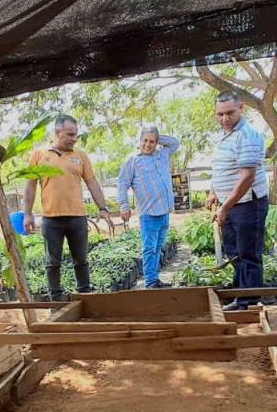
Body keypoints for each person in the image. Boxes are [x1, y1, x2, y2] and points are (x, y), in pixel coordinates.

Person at [22, 114, 112, 301]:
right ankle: (55, 299)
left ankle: (85, 295)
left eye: (76, 135)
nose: (74, 139)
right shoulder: (38, 155)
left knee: (81, 259)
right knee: (52, 262)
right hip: (50, 219)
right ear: (57, 132)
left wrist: (103, 208)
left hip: (77, 218)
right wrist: (27, 214)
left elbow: (92, 183)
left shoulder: (81, 157)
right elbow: (30, 186)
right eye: (70, 134)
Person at [205, 91, 270, 310]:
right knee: (234, 253)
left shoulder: (247, 135)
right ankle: (240, 298)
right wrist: (214, 192)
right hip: (231, 205)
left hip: (248, 205)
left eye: (229, 113)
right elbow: (222, 169)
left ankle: (249, 303)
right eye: (219, 114)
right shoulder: (223, 136)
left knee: (248, 254)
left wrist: (225, 207)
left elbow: (247, 176)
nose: (224, 119)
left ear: (241, 108)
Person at [117, 124, 180, 288]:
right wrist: (124, 206)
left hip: (164, 210)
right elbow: (122, 183)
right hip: (148, 212)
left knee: (158, 247)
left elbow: (175, 143)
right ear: (139, 141)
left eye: (152, 141)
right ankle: (150, 282)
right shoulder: (132, 160)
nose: (148, 144)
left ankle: (155, 279)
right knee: (149, 248)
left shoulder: (162, 154)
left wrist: (159, 138)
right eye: (145, 140)